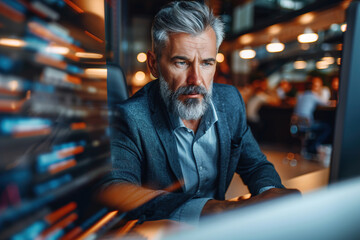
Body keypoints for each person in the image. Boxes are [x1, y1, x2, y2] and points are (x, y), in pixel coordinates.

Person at [98, 1, 299, 224]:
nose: (196, 80)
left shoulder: (230, 101)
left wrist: (271, 195)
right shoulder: (130, 118)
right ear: (154, 64)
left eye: (206, 63)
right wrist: (216, 210)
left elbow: (256, 165)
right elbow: (115, 188)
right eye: (181, 62)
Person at [293, 77, 331, 155]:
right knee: (327, 127)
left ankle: (308, 147)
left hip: (296, 124)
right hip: (307, 123)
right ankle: (313, 147)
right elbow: (325, 103)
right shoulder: (313, 95)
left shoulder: (300, 95)